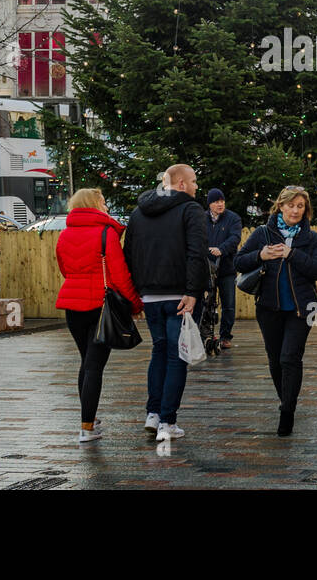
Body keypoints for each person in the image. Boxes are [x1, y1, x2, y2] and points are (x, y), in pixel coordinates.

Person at [122, 163, 210, 443]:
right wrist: (194, 291)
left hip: (149, 297)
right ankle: (168, 422)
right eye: (194, 181)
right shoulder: (191, 209)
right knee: (177, 356)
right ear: (181, 184)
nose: (197, 186)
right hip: (179, 296)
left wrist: (136, 292)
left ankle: (153, 414)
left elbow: (129, 254)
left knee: (159, 351)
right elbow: (197, 252)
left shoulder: (138, 213)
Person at [235, 185, 317, 436]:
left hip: (306, 307)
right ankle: (285, 398)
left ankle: (288, 410)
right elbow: (238, 261)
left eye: (300, 206)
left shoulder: (312, 239)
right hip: (269, 307)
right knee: (275, 360)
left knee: (290, 357)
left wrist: (292, 254)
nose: (295, 210)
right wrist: (261, 255)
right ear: (280, 206)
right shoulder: (263, 233)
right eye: (291, 205)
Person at [55, 187, 141, 443]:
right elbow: (120, 275)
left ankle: (88, 419)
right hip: (100, 306)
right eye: (103, 202)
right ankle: (87, 428)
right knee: (94, 366)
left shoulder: (64, 234)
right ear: (94, 204)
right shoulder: (106, 233)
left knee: (86, 362)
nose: (106, 206)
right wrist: (135, 304)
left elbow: (63, 267)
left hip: (73, 306)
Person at [205, 189, 242, 350]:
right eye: (216, 201)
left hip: (226, 268)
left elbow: (235, 238)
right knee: (206, 303)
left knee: (228, 304)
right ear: (210, 204)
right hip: (206, 268)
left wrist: (222, 249)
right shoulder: (201, 219)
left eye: (222, 201)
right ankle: (205, 333)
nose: (220, 204)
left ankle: (225, 336)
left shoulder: (233, 218)